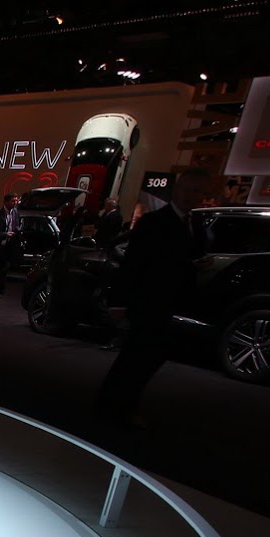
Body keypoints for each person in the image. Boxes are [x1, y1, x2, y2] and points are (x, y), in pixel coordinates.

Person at [94, 168, 209, 428]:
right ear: (177, 190)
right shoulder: (154, 222)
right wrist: (120, 303)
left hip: (172, 305)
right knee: (135, 358)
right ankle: (110, 408)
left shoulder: (195, 225)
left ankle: (121, 405)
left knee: (150, 359)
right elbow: (133, 264)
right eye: (188, 189)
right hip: (147, 303)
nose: (192, 196)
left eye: (198, 191)